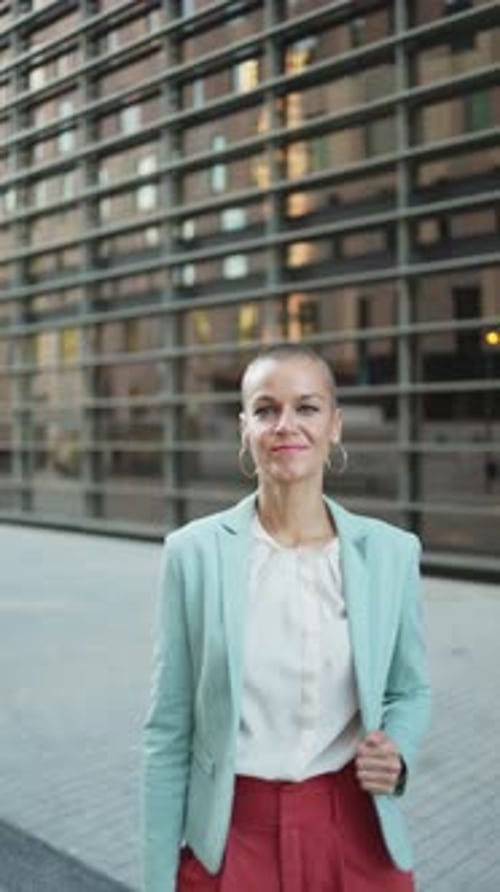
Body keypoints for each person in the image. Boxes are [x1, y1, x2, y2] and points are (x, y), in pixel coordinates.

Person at [142, 344, 431, 892]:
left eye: (307, 407)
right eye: (267, 409)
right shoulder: (193, 553)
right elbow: (168, 729)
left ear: (335, 425)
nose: (286, 425)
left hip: (355, 830)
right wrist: (157, 879)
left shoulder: (391, 554)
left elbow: (410, 690)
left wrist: (398, 751)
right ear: (245, 427)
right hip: (232, 836)